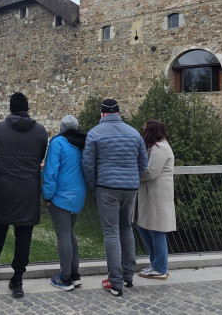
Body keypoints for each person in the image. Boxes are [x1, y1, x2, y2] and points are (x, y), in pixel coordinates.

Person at [0, 92, 48, 299]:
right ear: (27, 109)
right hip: (27, 190)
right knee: (23, 237)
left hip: (3, 189)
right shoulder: (40, 131)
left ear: (10, 108)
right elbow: (40, 156)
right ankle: (17, 281)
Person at [81, 98, 147, 297]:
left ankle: (115, 282)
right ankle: (128, 276)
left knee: (111, 233)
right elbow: (143, 163)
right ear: (119, 112)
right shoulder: (134, 133)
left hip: (107, 188)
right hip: (130, 188)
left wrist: (93, 186)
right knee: (126, 228)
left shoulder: (94, 133)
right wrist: (133, 180)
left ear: (102, 114)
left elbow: (87, 164)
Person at [42, 115, 87, 291]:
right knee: (69, 233)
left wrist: (47, 195)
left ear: (61, 128)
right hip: (78, 196)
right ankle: (75, 274)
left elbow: (51, 171)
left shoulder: (57, 143)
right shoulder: (83, 143)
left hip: (60, 197)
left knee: (63, 236)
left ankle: (65, 278)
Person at [135, 119, 176, 280]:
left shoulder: (160, 148)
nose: (143, 131)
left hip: (156, 195)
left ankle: (159, 267)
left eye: (145, 129)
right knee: (144, 227)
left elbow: (151, 172)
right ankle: (156, 264)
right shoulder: (156, 146)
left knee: (156, 230)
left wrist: (132, 176)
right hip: (150, 195)